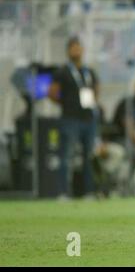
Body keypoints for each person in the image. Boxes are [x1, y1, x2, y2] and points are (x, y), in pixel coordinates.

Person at [48, 37, 99, 199]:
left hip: (88, 118)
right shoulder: (62, 72)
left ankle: (88, 192)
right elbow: (52, 92)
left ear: (83, 50)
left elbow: (96, 90)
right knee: (66, 156)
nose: (76, 50)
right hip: (70, 118)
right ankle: (63, 192)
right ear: (68, 51)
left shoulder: (89, 72)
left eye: (78, 47)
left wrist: (92, 104)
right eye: (73, 47)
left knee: (88, 157)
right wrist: (66, 103)